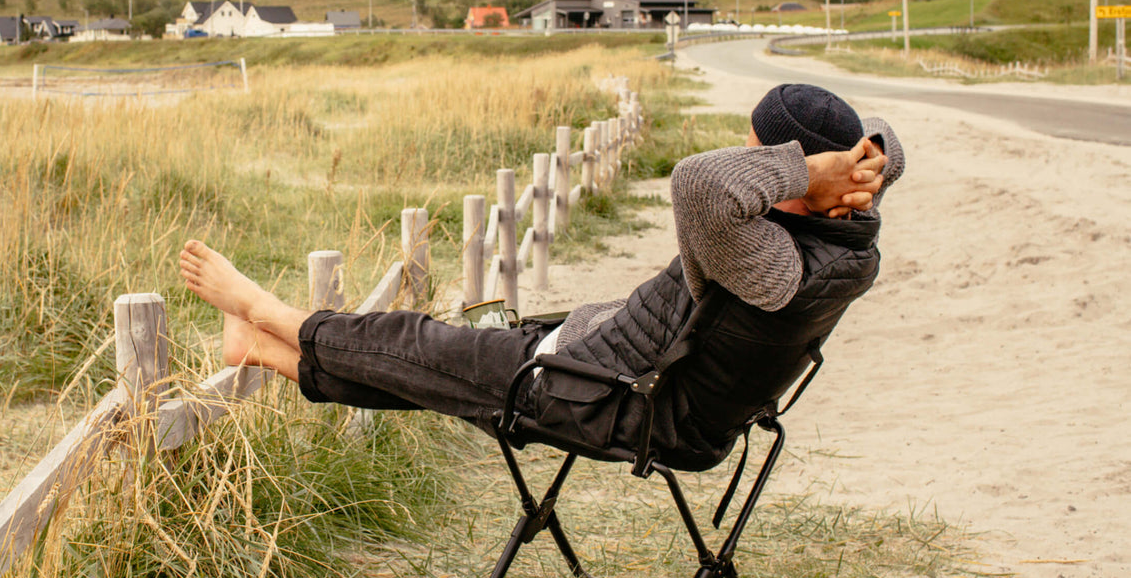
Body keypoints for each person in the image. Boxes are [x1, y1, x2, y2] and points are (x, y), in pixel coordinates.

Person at [180, 83, 904, 468]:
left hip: (598, 391)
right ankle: (265, 351)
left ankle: (268, 312)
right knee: (439, 368)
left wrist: (801, 168)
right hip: (627, 373)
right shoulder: (850, 244)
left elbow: (697, 184)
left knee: (418, 343)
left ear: (807, 173)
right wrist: (847, 168)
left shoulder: (773, 261)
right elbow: (889, 154)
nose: (742, 160)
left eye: (757, 153)